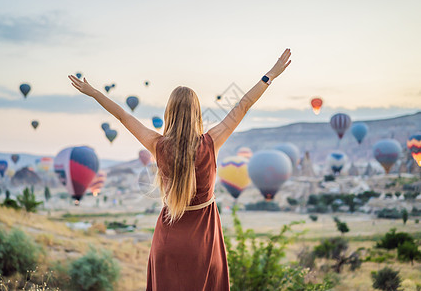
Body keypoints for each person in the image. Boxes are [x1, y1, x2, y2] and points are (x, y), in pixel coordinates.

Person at [68, 48, 291, 291]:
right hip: (203, 245)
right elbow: (243, 105)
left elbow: (123, 116)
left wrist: (94, 93)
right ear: (196, 113)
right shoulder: (211, 141)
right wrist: (270, 75)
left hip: (168, 242)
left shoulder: (156, 144)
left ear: (169, 113)